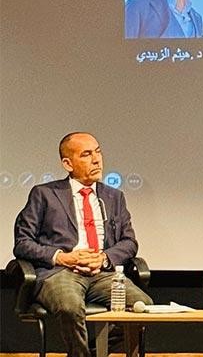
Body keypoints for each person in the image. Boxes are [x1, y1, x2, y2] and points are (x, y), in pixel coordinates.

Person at [13, 132, 152, 357]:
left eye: (97, 152)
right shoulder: (45, 194)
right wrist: (62, 257)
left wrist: (104, 258)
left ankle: (91, 352)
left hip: (102, 274)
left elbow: (129, 242)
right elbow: (22, 243)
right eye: (86, 154)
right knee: (69, 306)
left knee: (143, 305)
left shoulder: (114, 197)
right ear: (68, 164)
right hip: (60, 272)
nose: (96, 160)